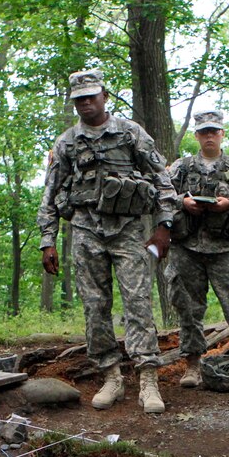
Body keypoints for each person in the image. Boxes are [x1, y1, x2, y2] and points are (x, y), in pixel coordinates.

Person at [37, 69, 176, 413]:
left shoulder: (130, 134)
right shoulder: (67, 142)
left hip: (128, 229)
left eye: (91, 97)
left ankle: (148, 379)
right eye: (79, 99)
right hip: (85, 230)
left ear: (104, 97)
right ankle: (111, 376)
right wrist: (47, 239)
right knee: (95, 306)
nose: (85, 103)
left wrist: (164, 226)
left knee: (138, 302)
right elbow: (51, 192)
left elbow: (162, 179)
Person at [166, 110, 229, 391]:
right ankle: (191, 364)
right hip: (187, 248)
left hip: (225, 249)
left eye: (214, 131)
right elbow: (160, 197)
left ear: (222, 133)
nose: (209, 136)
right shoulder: (181, 168)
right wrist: (183, 203)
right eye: (204, 132)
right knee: (188, 309)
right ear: (197, 135)